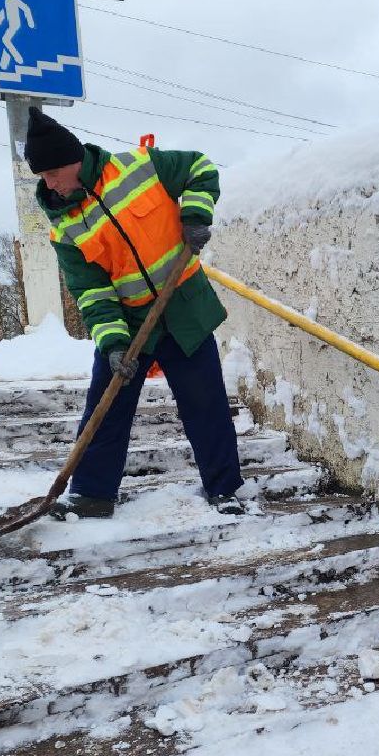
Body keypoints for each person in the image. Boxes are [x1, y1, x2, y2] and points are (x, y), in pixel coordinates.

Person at [25, 107, 244, 518]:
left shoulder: (140, 167)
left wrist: (195, 216)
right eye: (42, 177)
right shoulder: (65, 228)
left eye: (52, 173)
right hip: (128, 322)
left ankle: (224, 488)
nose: (48, 183)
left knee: (206, 402)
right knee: (106, 407)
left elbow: (200, 167)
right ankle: (91, 495)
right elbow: (91, 292)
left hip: (183, 308)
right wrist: (112, 342)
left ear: (74, 161)